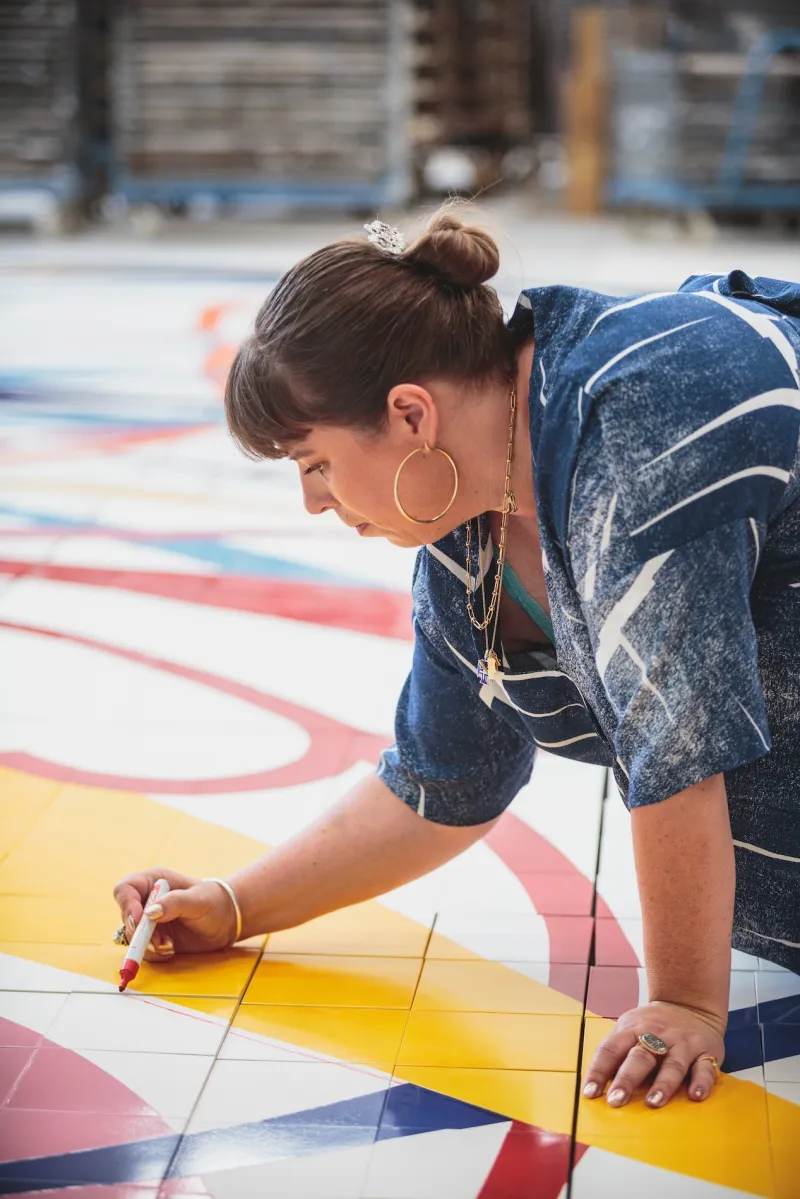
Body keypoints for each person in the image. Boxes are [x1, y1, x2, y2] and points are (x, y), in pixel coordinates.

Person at [114, 210, 800, 1113]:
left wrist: (683, 1000)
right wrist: (234, 905)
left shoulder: (645, 405)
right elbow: (440, 781)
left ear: (408, 412)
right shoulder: (465, 528)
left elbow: (680, 742)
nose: (314, 503)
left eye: (316, 463)